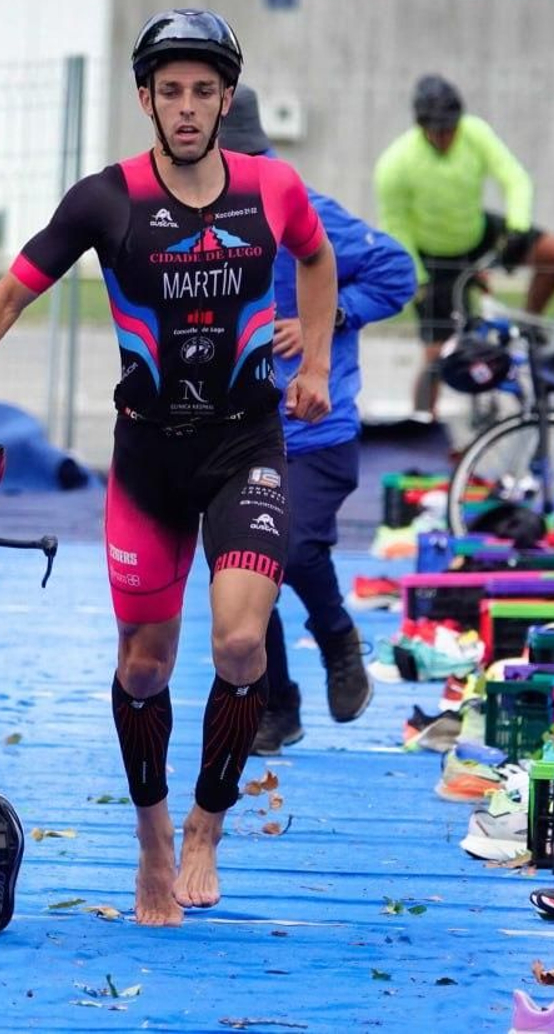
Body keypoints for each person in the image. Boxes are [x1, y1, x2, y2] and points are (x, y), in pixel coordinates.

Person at [0, 9, 338, 927]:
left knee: (243, 644)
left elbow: (317, 259)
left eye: (202, 91)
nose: (184, 107)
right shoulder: (106, 199)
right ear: (145, 99)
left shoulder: (273, 187)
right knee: (143, 667)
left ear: (224, 100)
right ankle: (152, 841)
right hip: (149, 460)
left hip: (246, 444)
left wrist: (317, 364)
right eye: (168, 91)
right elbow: (12, 294)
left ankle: (208, 827)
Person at [217, 86, 417, 753]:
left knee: (292, 548)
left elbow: (396, 273)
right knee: (243, 575)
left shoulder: (304, 212)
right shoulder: (196, 220)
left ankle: (338, 639)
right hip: (235, 433)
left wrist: (319, 320)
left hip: (316, 434)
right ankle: (277, 706)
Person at [373, 74, 554, 421]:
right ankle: (422, 426)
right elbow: (397, 228)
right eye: (437, 131)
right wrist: (418, 282)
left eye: (451, 128)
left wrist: (518, 227)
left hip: (477, 235)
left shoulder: (474, 133)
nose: (446, 137)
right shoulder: (395, 164)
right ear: (421, 127)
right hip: (433, 257)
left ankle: (530, 327)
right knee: (437, 353)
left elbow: (515, 177)